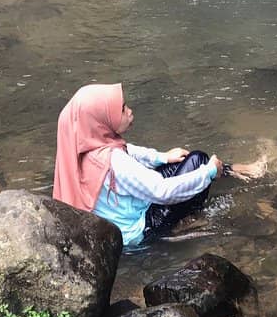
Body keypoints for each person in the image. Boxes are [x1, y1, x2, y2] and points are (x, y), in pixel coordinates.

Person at [53, 82, 257, 245]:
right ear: (102, 120)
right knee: (198, 160)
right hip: (141, 230)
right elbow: (162, 191)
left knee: (182, 161)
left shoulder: (80, 149)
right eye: (122, 109)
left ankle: (227, 170)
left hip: (119, 223)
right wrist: (209, 172)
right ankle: (190, 217)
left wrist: (161, 157)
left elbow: (130, 150)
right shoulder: (115, 163)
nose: (130, 111)